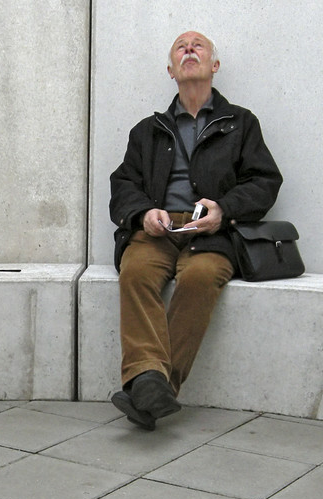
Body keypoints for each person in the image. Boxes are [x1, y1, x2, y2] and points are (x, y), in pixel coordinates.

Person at [109, 31, 283, 429]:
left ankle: (151, 386)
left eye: (198, 45)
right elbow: (123, 185)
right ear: (171, 70)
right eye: (180, 47)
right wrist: (143, 214)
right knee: (135, 272)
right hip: (160, 227)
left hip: (212, 231)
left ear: (214, 67)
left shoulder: (241, 123)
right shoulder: (146, 131)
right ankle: (153, 388)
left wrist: (224, 210)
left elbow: (264, 181)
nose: (189, 48)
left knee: (202, 277)